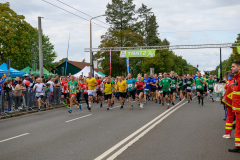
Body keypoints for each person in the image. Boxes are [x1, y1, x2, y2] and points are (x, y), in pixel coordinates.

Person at [228, 60, 240, 152]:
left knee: (238, 127)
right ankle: (238, 146)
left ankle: (238, 147)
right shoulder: (237, 78)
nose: (231, 68)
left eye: (233, 66)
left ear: (239, 67)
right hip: (237, 106)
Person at [222, 71, 235, 139]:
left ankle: (227, 134)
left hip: (230, 102)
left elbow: (226, 87)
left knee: (229, 117)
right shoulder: (235, 80)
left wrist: (229, 80)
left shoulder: (230, 81)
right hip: (235, 101)